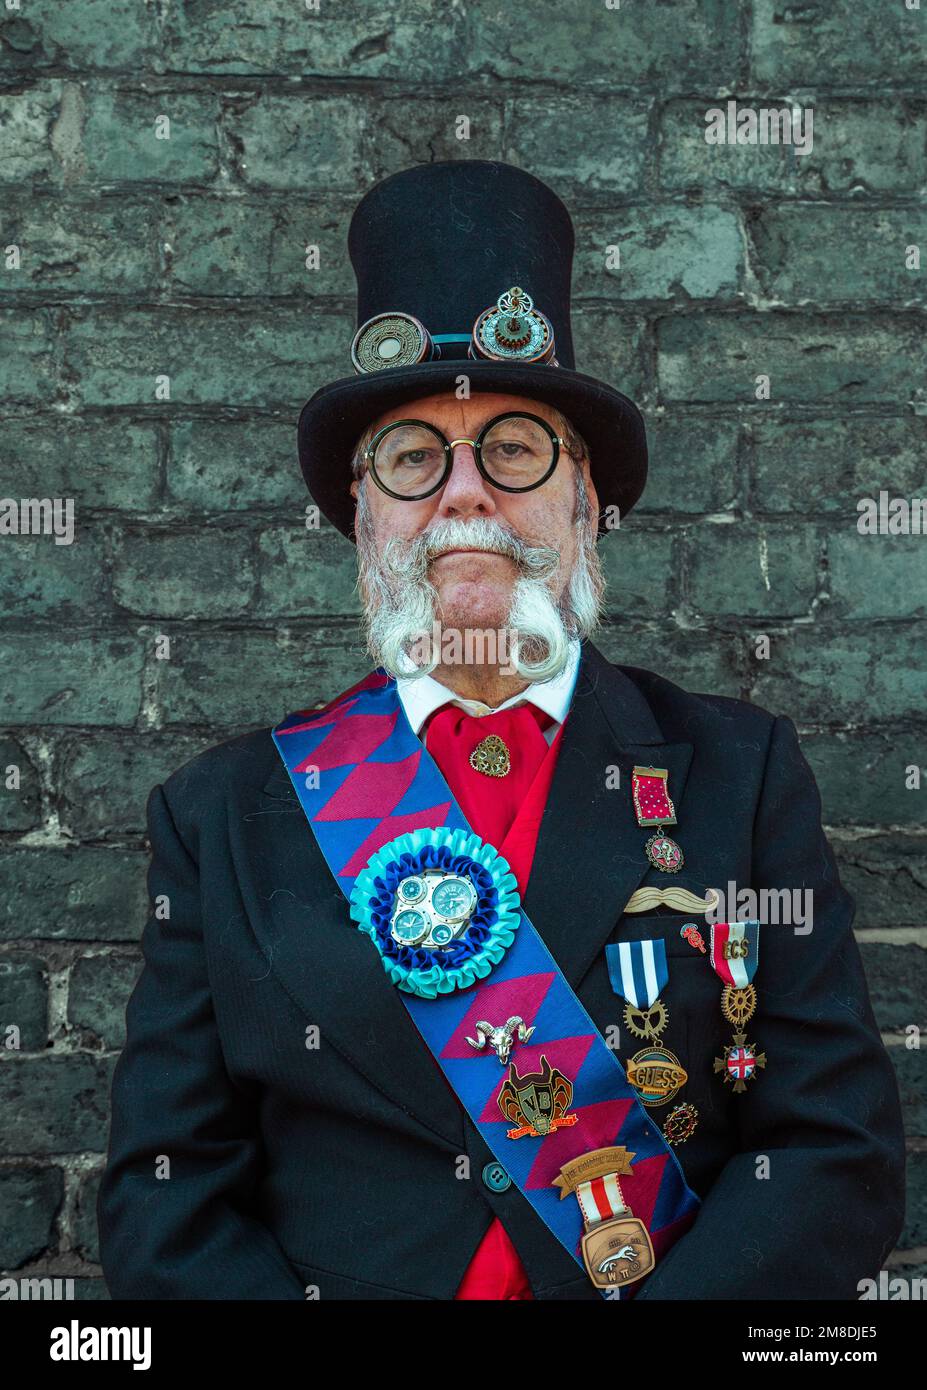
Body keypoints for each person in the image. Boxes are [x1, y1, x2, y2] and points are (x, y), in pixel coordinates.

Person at [98, 160, 905, 1301]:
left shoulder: (742, 775)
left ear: (585, 503)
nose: (466, 494)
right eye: (414, 456)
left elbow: (835, 1152)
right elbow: (165, 1196)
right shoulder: (221, 816)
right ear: (361, 515)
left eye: (516, 448)